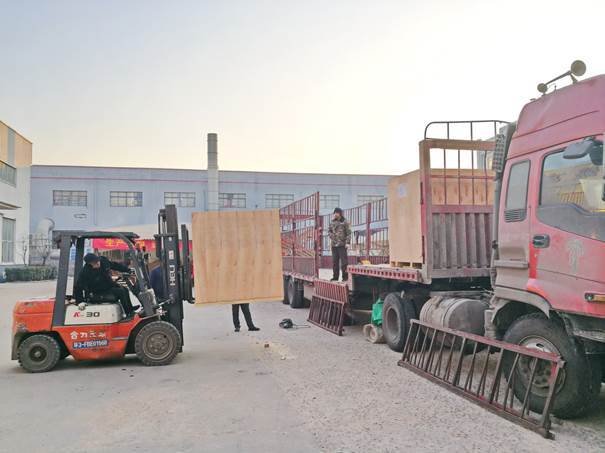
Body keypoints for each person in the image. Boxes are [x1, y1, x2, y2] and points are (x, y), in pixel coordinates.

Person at [328, 207, 352, 281]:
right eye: (334, 213)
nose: (335, 214)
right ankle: (335, 277)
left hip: (342, 245)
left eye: (337, 213)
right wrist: (331, 236)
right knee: (335, 262)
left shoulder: (345, 222)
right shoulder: (332, 222)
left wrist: (348, 242)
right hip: (334, 245)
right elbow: (329, 231)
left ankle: (345, 277)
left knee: (344, 262)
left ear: (340, 213)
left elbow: (349, 233)